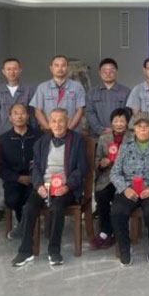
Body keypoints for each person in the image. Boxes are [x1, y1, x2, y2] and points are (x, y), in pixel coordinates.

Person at [12, 108, 88, 267]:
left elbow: (81, 168)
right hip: (44, 185)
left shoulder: (77, 140)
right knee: (29, 208)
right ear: (49, 123)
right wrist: (38, 185)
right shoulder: (42, 141)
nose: (57, 124)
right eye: (54, 121)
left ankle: (54, 251)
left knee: (57, 208)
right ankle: (25, 251)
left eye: (61, 121)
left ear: (68, 122)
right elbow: (35, 167)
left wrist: (68, 186)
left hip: (65, 187)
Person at [110, 111, 149, 266]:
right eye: (139, 126)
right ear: (134, 129)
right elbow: (114, 173)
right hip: (129, 189)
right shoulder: (125, 147)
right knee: (118, 211)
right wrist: (125, 188)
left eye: (146, 126)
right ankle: (125, 248)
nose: (143, 129)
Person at [92, 107, 133, 250]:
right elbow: (97, 160)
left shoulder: (133, 137)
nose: (119, 124)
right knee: (102, 195)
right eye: (116, 121)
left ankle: (111, 231)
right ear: (111, 122)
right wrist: (102, 164)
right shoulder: (104, 138)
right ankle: (107, 229)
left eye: (122, 121)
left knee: (119, 198)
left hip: (126, 178)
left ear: (127, 123)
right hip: (107, 177)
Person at [0, 103, 39, 240]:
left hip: (35, 180)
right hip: (13, 181)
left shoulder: (38, 136)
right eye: (15, 113)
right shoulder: (3, 139)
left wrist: (34, 177)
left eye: (23, 113)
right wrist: (18, 178)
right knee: (13, 200)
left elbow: (44, 161)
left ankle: (23, 228)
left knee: (31, 199)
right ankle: (24, 226)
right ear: (10, 117)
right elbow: (0, 168)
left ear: (28, 116)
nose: (19, 116)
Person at [30, 55, 86, 132]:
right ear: (51, 68)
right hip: (48, 132)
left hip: (72, 132)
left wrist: (69, 129)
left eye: (63, 65)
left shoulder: (77, 87)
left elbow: (80, 110)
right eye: (56, 65)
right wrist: (49, 129)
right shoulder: (42, 87)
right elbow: (38, 112)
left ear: (68, 68)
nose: (60, 68)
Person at [0, 57, 34, 137]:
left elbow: (32, 114)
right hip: (2, 133)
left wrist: (34, 131)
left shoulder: (28, 90)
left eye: (15, 69)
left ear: (20, 70)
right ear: (3, 71)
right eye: (8, 69)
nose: (12, 72)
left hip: (24, 133)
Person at [86, 58, 130, 137]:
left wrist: (116, 129)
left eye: (111, 70)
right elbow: (90, 113)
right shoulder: (91, 93)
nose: (108, 73)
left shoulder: (126, 91)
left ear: (116, 72)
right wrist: (100, 130)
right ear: (100, 73)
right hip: (97, 136)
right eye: (105, 71)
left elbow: (128, 112)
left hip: (120, 135)